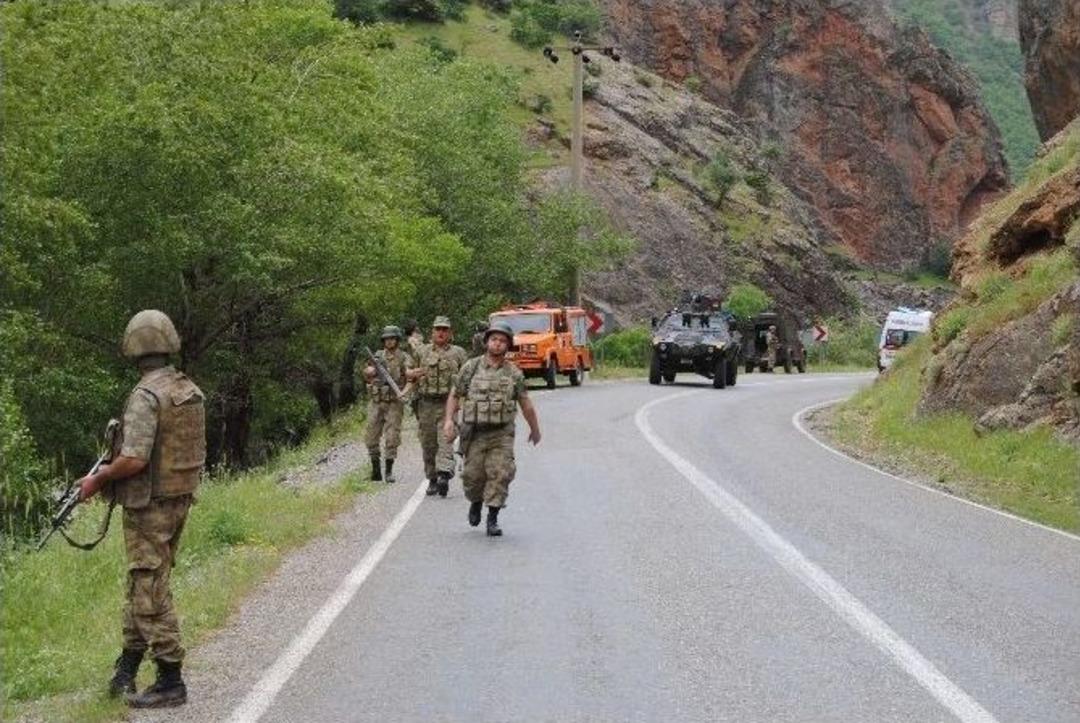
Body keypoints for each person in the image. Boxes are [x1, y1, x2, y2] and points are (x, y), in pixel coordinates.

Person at [77, 310, 206, 708]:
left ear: (133, 347)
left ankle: (171, 679)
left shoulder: (145, 395)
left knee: (149, 588)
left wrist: (97, 479)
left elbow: (133, 459)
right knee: (143, 582)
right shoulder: (186, 389)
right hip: (177, 498)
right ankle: (127, 668)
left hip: (149, 505)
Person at [443, 320, 541, 537]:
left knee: (500, 474)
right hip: (475, 433)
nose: (497, 344)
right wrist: (449, 419)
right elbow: (455, 394)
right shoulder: (471, 366)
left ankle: (493, 518)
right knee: (472, 476)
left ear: (508, 346)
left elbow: (525, 403)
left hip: (501, 433)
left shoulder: (513, 373)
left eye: (502, 341)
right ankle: (476, 502)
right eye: (494, 339)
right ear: (487, 342)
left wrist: (535, 429)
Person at [414, 316, 469, 497]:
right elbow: (407, 372)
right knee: (428, 444)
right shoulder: (421, 352)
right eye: (438, 329)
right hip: (425, 404)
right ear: (432, 332)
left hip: (448, 403)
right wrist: (411, 376)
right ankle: (432, 479)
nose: (441, 333)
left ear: (450, 333)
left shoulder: (458, 353)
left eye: (445, 330)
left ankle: (444, 474)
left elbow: (467, 378)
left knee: (446, 439)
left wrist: (464, 401)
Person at [363, 326, 418, 483]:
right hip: (376, 401)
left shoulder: (404, 357)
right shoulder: (377, 356)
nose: (389, 341)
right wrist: (370, 371)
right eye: (387, 339)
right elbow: (366, 374)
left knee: (392, 436)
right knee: (371, 436)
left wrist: (404, 392)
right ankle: (375, 471)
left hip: (394, 402)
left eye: (392, 338)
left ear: (397, 340)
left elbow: (410, 377)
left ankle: (388, 471)